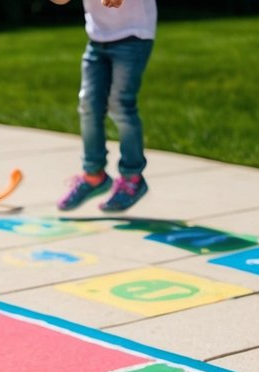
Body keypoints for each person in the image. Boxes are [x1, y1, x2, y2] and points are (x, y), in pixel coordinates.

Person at [55, 0, 157, 213]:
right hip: (98, 37)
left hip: (134, 35)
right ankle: (94, 175)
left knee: (121, 105)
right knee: (89, 105)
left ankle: (132, 177)